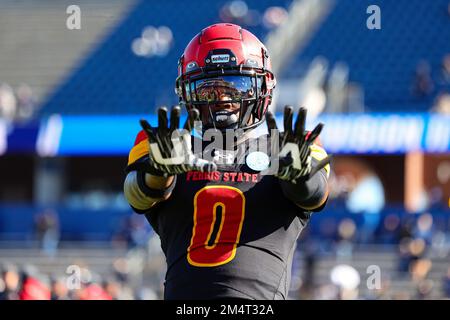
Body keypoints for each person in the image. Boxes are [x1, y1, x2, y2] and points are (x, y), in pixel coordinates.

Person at [123, 23, 330, 300]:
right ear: (187, 93)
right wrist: (158, 174)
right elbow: (136, 195)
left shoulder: (291, 146)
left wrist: (299, 176)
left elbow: (316, 195)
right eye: (208, 88)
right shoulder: (169, 148)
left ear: (263, 87)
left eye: (236, 86)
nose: (222, 99)